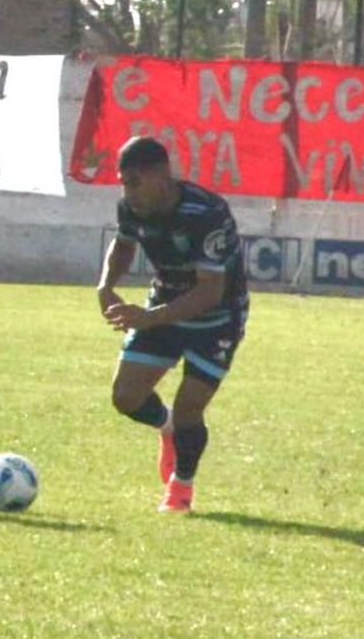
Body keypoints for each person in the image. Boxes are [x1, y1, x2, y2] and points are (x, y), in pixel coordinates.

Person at [96, 136, 249, 514]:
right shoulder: (132, 208)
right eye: (123, 182)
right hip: (165, 304)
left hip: (218, 318)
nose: (127, 192)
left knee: (189, 409)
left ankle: (181, 488)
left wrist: (149, 318)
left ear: (161, 177)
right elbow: (124, 245)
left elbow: (209, 293)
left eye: (133, 182)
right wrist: (106, 284)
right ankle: (166, 429)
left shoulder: (207, 213)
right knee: (125, 397)